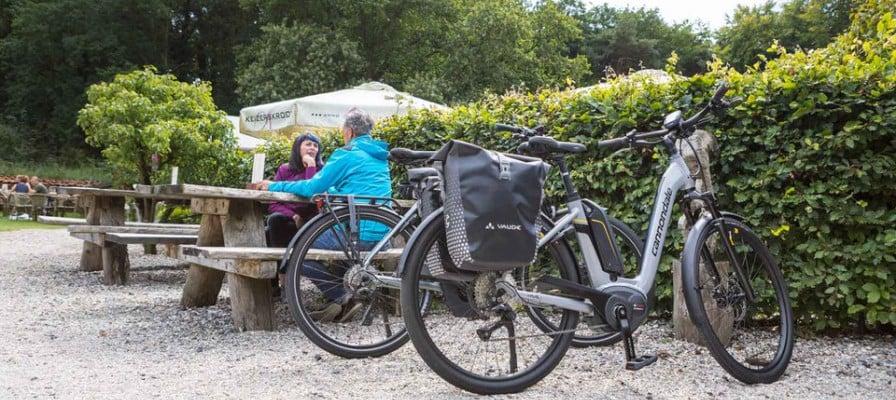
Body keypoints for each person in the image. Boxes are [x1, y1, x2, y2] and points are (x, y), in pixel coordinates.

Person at [253, 107, 392, 322]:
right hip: (383, 236)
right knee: (320, 249)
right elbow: (358, 190)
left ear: (350, 131)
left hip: (354, 233)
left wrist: (274, 185)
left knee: (293, 254)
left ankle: (343, 297)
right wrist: (335, 191)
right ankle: (340, 303)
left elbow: (312, 188)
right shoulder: (380, 157)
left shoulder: (347, 154)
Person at [265, 133, 323, 296]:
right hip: (288, 220)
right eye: (308, 144)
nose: (312, 148)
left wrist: (311, 166)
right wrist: (293, 216)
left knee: (272, 233)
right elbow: (273, 203)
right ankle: (281, 284)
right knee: (272, 227)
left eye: (315, 145)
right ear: (298, 147)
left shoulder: (322, 170)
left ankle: (283, 285)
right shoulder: (285, 169)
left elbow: (312, 194)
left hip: (311, 220)